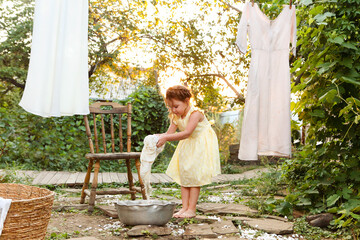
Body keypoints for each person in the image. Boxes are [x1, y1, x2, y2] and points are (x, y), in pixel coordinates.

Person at [157, 85, 221, 218]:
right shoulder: (176, 116)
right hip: (187, 145)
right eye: (170, 107)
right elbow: (169, 133)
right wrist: (157, 137)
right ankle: (184, 207)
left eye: (176, 106)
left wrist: (166, 137)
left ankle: (191, 209)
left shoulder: (196, 114)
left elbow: (187, 133)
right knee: (184, 175)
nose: (173, 110)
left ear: (186, 101)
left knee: (194, 176)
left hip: (200, 145)